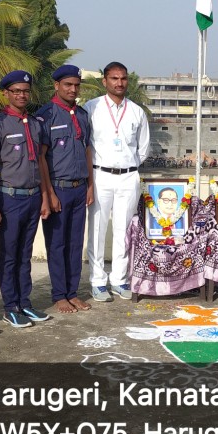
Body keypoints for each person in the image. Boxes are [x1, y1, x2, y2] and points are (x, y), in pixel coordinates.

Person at [0, 70, 51, 329]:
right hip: (10, 198)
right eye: (16, 91)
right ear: (6, 93)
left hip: (33, 197)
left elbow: (40, 161)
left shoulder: (35, 124)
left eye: (25, 91)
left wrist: (45, 197)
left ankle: (24, 302)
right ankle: (10, 306)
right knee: (9, 255)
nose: (22, 95)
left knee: (25, 254)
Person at [85, 62, 150, 301]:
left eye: (123, 78)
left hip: (128, 176)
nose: (119, 83)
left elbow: (143, 148)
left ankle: (120, 280)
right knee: (97, 228)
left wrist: (127, 165)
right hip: (100, 175)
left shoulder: (136, 111)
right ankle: (97, 281)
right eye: (114, 78)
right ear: (105, 81)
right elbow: (86, 144)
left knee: (123, 230)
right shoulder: (91, 108)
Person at [36, 64, 94, 314]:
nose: (73, 89)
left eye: (76, 85)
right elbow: (41, 157)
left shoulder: (82, 115)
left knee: (75, 243)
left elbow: (87, 150)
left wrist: (90, 185)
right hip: (58, 189)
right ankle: (59, 294)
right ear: (56, 85)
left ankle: (72, 292)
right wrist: (48, 193)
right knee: (57, 244)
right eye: (68, 85)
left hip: (79, 188)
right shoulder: (45, 115)